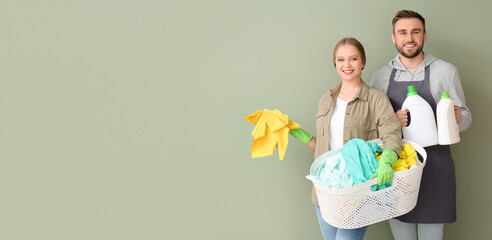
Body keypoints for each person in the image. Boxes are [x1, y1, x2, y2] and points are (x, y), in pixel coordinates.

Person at [370, 10, 472, 240]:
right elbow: (371, 128)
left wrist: (455, 115)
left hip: (437, 165)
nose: (409, 38)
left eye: (415, 32)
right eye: (402, 32)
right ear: (393, 38)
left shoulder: (446, 71)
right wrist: (390, 123)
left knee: (432, 236)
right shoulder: (380, 77)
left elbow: (467, 119)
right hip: (397, 168)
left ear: (425, 35)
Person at [290, 37, 402, 240]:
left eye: (353, 58)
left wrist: (387, 161)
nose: (347, 65)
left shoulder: (376, 99)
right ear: (335, 64)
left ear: (363, 62)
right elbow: (324, 149)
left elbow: (392, 135)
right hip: (326, 188)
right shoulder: (326, 99)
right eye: (340, 60)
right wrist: (298, 133)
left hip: (357, 191)